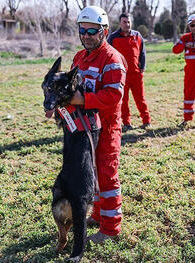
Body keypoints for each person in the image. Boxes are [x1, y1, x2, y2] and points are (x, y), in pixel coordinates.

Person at [69, 6, 127, 244]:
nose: (86, 35)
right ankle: (99, 214)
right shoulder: (78, 57)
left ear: (104, 31)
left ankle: (111, 230)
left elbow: (114, 95)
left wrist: (84, 100)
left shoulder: (113, 59)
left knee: (107, 175)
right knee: (92, 174)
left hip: (107, 128)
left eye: (92, 30)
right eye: (82, 30)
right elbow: (70, 89)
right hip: (85, 129)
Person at [108, 13, 151, 131]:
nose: (127, 24)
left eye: (128, 22)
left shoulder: (137, 35)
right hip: (121, 75)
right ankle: (126, 123)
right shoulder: (113, 37)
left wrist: (143, 67)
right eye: (124, 22)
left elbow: (143, 52)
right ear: (119, 23)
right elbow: (108, 54)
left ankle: (146, 121)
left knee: (140, 98)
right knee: (124, 100)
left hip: (136, 74)